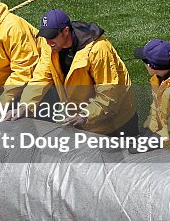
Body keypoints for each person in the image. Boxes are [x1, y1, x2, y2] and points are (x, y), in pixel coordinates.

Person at [9, 9, 137, 136]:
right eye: (46, 36)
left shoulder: (98, 50)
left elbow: (109, 95)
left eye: (52, 36)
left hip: (117, 123)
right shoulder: (50, 46)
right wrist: (25, 105)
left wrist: (85, 115)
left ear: (65, 31)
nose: (48, 42)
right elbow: (40, 78)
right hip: (84, 122)